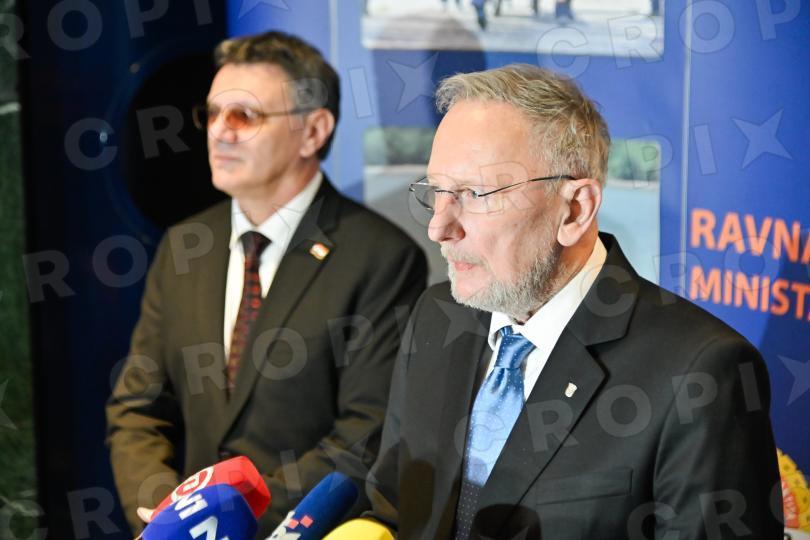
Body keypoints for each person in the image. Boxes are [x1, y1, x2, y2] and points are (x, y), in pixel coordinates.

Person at [365, 64, 783, 539]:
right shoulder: (436, 316)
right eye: (438, 191)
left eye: (474, 194)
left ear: (575, 209)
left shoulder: (699, 373)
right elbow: (392, 504)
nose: (439, 227)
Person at [106, 31, 427, 537]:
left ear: (313, 131)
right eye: (212, 113)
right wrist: (170, 517)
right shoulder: (183, 246)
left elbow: (365, 435)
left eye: (244, 115)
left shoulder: (382, 258)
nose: (219, 131)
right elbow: (138, 409)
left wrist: (225, 520)